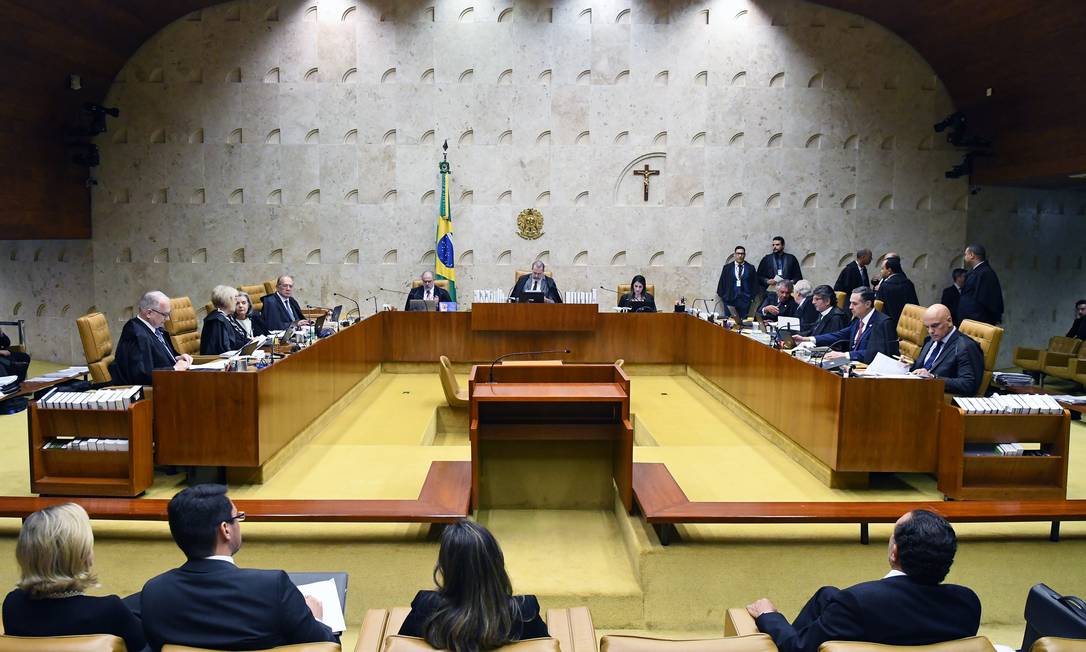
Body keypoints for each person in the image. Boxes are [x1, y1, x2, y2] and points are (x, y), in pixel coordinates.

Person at [746, 509, 981, 652]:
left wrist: (770, 616)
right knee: (826, 595)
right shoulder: (967, 603)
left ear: (894, 552)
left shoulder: (859, 602)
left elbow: (798, 649)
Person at [139, 484, 336, 651]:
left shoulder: (154, 593)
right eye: (238, 517)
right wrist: (315, 618)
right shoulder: (272, 587)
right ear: (225, 529)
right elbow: (325, 645)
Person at [2, 503, 146, 652]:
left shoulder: (12, 604)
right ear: (82, 557)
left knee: (141, 599)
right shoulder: (110, 611)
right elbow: (148, 645)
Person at [399, 520, 548, 651]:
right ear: (496, 562)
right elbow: (544, 646)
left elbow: (403, 645)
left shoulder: (426, 605)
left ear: (446, 567)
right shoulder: (524, 610)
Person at [795, 287, 899, 364]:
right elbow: (839, 335)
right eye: (850, 303)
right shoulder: (858, 320)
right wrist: (806, 339)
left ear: (867, 304)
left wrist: (845, 355)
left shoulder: (883, 323)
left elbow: (876, 352)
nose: (850, 307)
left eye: (854, 304)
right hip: (853, 366)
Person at [109, 291, 192, 385]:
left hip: (171, 383)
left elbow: (157, 356)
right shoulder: (135, 333)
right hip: (156, 391)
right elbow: (141, 375)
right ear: (149, 313)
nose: (168, 319)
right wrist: (174, 369)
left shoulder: (155, 328)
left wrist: (177, 358)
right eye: (165, 314)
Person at [909, 304, 985, 396]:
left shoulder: (966, 347)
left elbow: (968, 385)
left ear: (949, 321)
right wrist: (909, 364)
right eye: (927, 327)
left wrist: (934, 379)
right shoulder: (929, 340)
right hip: (917, 389)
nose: (930, 331)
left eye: (935, 326)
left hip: (938, 399)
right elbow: (925, 367)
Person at [958, 245, 1003, 324]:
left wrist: (973, 318)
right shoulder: (977, 271)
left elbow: (985, 300)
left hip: (976, 322)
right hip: (968, 321)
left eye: (966, 254)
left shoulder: (985, 273)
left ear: (972, 255)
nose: (964, 257)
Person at [200, 285, 247, 355]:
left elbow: (236, 341)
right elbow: (223, 349)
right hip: (218, 361)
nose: (236, 302)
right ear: (227, 300)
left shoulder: (228, 317)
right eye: (235, 298)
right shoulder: (217, 320)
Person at [875, 256, 919, 329]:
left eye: (882, 269)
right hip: (908, 326)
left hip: (889, 326)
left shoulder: (884, 286)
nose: (881, 271)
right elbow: (915, 305)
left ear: (889, 270)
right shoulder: (908, 283)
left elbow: (879, 308)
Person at [716, 246, 757, 318]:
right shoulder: (727, 268)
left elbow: (755, 284)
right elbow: (722, 283)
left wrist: (751, 298)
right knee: (728, 323)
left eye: (742, 254)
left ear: (745, 255)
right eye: (738, 253)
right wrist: (724, 298)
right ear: (734, 254)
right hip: (729, 300)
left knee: (743, 323)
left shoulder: (750, 268)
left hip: (745, 301)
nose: (740, 256)